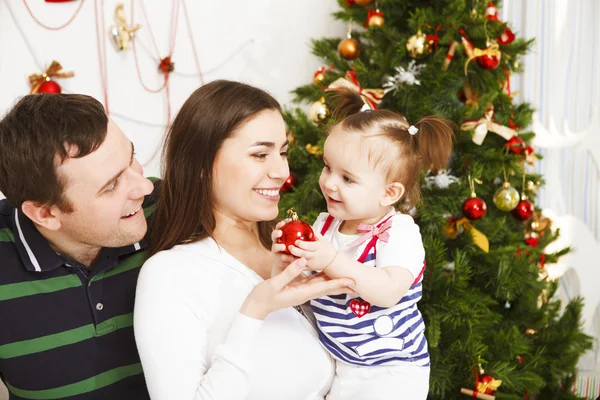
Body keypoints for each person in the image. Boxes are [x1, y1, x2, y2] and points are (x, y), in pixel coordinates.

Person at [133, 80, 355, 400]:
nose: (281, 171)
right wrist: (254, 311)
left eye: (282, 152)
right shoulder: (170, 274)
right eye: (260, 154)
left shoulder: (297, 248)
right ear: (201, 165)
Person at [273, 89, 454, 400]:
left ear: (389, 193)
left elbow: (387, 291)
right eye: (328, 167)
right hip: (344, 363)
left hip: (393, 370)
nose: (329, 182)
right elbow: (306, 293)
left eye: (348, 179)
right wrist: (290, 263)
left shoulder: (398, 233)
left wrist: (329, 259)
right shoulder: (325, 226)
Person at [0, 94, 155, 398]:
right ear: (45, 214)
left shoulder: (171, 210)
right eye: (111, 186)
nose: (145, 186)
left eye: (132, 157)